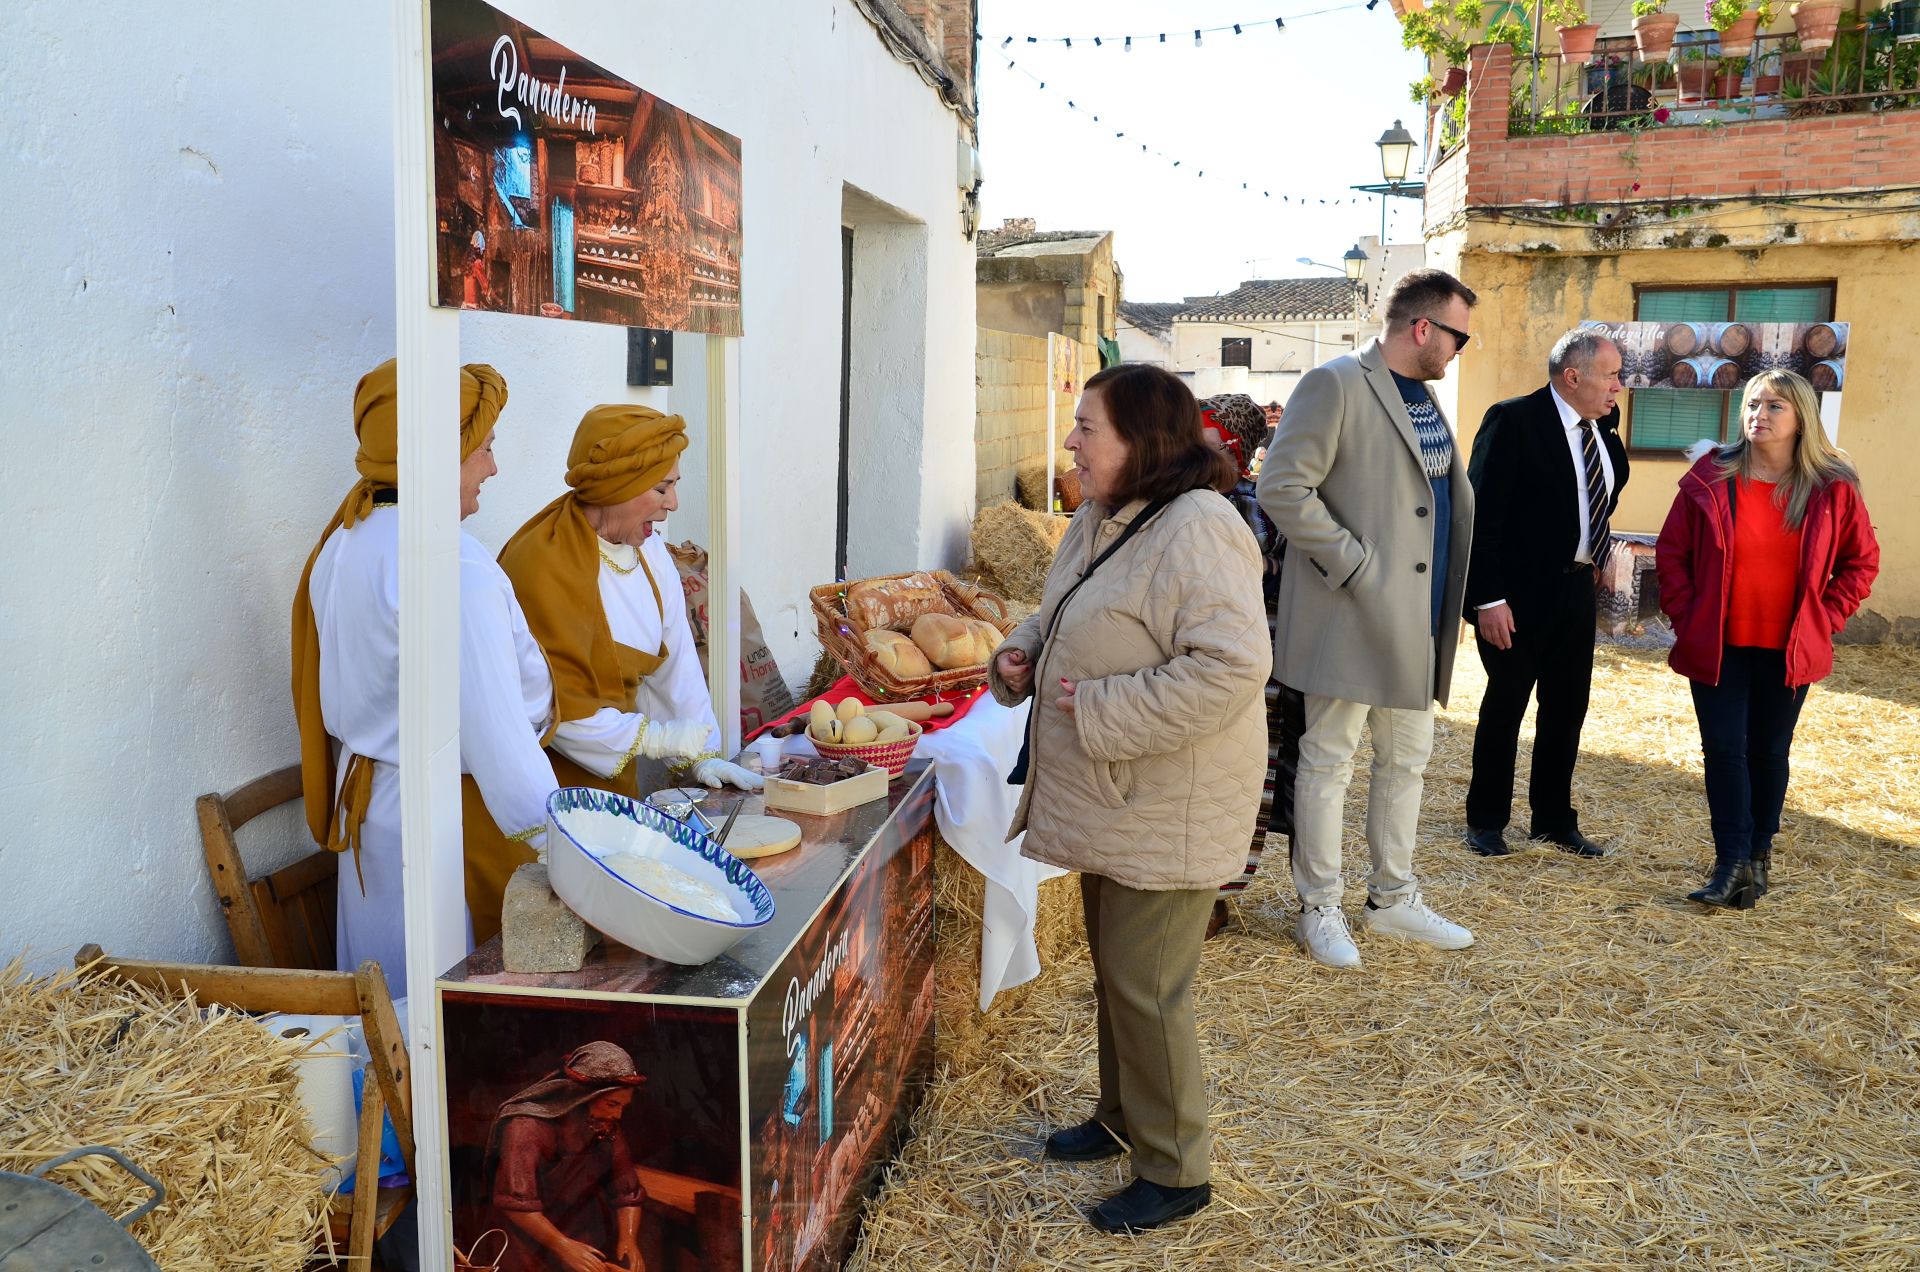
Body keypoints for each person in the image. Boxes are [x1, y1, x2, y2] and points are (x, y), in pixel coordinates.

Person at [990, 363, 1269, 1234]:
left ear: (1141, 443)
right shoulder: (1102, 514)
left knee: (1148, 986)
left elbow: (1231, 667)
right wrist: (1024, 650)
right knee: (1118, 973)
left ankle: (1176, 1168)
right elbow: (1067, 609)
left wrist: (1102, 705)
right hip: (1118, 793)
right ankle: (1122, 1119)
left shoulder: (1200, 528)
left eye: (1087, 428)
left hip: (1166, 798)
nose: (1070, 441)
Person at [291, 359, 558, 998]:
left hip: (372, 815)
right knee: (436, 1017)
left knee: (382, 1005)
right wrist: (567, 842)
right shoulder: (450, 565)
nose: (493, 467)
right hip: (439, 825)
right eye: (484, 448)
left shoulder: (344, 543)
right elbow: (497, 734)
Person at [1255, 268, 1479, 969]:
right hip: (1350, 612)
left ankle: (1392, 901)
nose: (1460, 350)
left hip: (1418, 619)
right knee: (1328, 760)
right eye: (1458, 336)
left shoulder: (1425, 398)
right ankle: (1319, 908)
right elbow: (1282, 486)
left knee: (1406, 760)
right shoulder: (1336, 384)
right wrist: (1354, 566)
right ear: (1422, 329)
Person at [491, 406, 761, 935]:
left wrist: (703, 750)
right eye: (661, 489)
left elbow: (676, 658)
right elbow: (555, 711)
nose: (673, 504)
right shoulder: (539, 565)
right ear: (619, 485)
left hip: (614, 785)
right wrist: (660, 741)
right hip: (540, 797)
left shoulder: (651, 552)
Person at [1655, 370, 1878, 909]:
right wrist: (1691, 616)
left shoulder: (1831, 487)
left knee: (1769, 750)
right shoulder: (1711, 478)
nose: (1760, 414)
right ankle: (1729, 862)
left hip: (1789, 647)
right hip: (1719, 643)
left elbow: (1860, 563)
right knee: (1724, 749)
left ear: (1802, 416)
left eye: (1775, 406)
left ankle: (1758, 857)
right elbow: (1672, 555)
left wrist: (1825, 619)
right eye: (1754, 403)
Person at [1462, 329, 1630, 859]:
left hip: (1575, 592)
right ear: (1573, 376)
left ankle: (1554, 821)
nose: (1618, 387)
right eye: (1611, 375)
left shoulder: (1602, 427)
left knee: (1566, 709)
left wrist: (1592, 553)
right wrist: (1487, 598)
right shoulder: (1512, 421)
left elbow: (1601, 491)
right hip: (1514, 598)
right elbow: (1480, 517)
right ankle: (1486, 821)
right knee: (1506, 706)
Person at [1199, 393, 1304, 940]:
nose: (1191, 454)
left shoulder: (1259, 504)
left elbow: (1277, 574)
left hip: (1255, 668)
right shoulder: (1177, 502)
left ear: (1235, 453)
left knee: (1246, 782)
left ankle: (1219, 896)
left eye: (1208, 444)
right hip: (1197, 667)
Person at [486, 1041, 648, 1272]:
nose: (617, 1114)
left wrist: (629, 1240)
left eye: (623, 1106)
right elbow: (516, 1204)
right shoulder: (526, 1128)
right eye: (611, 1104)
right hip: (527, 1247)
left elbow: (627, 1193)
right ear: (582, 1096)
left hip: (581, 1239)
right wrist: (562, 1246)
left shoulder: (605, 1126)